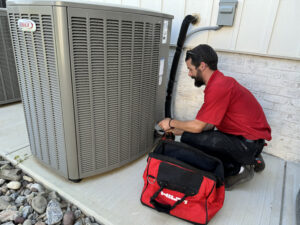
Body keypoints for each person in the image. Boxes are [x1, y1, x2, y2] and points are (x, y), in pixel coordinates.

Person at [159, 44, 271, 190]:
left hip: (246, 143)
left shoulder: (218, 87)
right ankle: (253, 158)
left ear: (202, 66)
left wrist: (171, 122)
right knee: (189, 134)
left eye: (190, 69)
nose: (189, 74)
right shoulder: (219, 82)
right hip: (250, 140)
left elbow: (198, 126)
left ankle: (240, 169)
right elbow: (208, 124)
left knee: (189, 139)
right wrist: (177, 130)